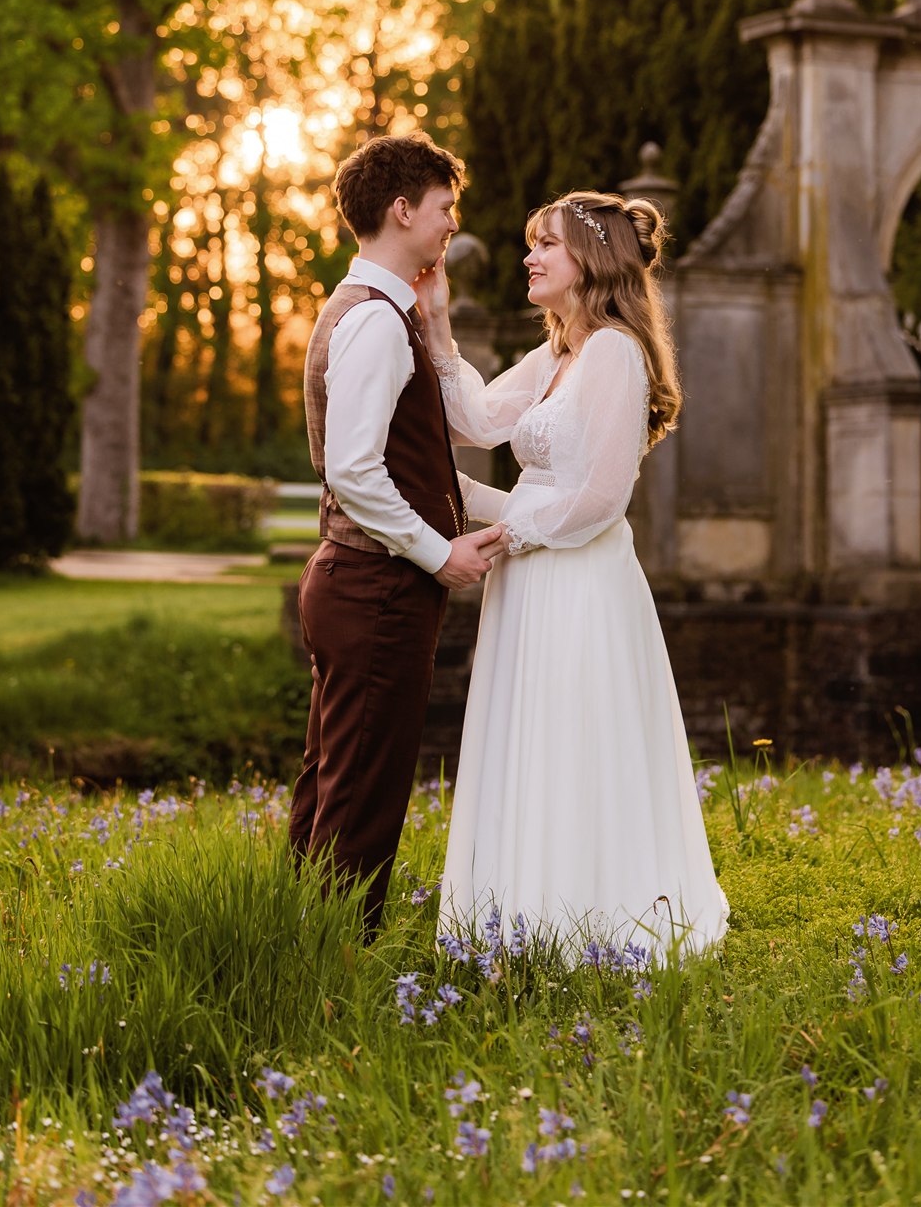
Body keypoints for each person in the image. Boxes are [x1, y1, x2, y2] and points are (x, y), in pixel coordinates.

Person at [419, 188, 728, 960]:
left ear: (589, 259)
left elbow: (598, 499)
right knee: (528, 738)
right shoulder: (557, 355)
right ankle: (522, 919)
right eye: (532, 243)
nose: (529, 257)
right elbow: (474, 421)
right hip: (531, 578)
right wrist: (438, 320)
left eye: (545, 243)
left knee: (574, 738)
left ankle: (588, 922)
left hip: (579, 583)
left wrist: (500, 534)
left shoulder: (615, 353)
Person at [287, 132, 505, 938]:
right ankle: (338, 964)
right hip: (375, 588)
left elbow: (420, 464)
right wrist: (438, 553)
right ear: (403, 209)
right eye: (444, 207)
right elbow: (354, 471)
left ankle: (300, 950)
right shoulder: (375, 322)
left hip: (358, 582)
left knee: (335, 783)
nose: (452, 223)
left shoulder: (382, 311)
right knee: (361, 797)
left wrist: (522, 514)